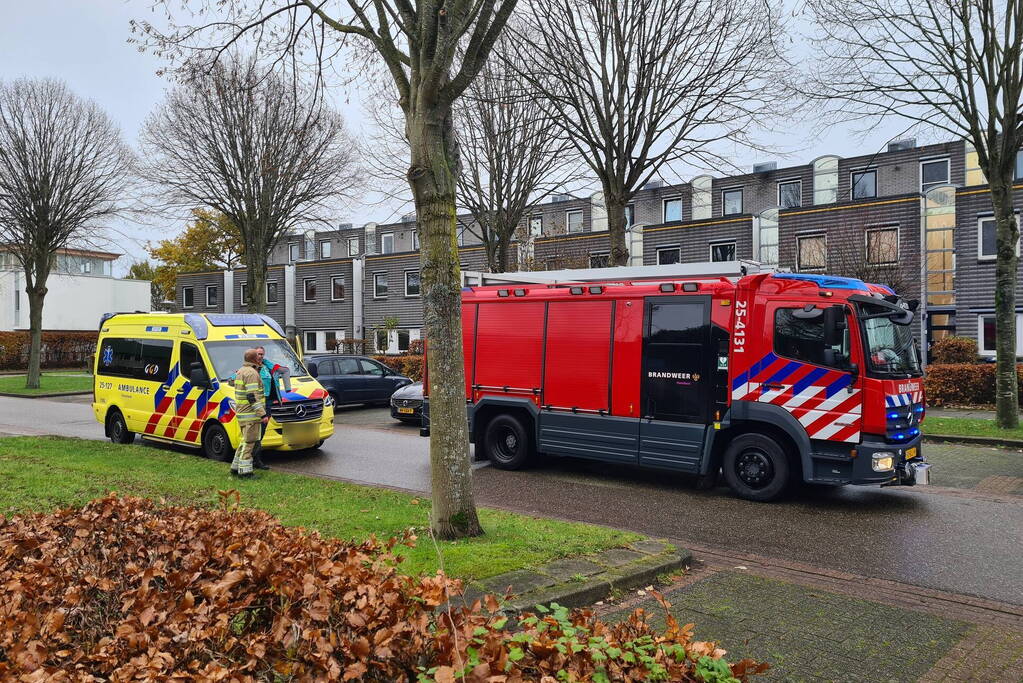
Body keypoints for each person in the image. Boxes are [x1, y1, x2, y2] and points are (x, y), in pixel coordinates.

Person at [231, 349, 268, 478]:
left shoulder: (240, 371)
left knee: (244, 441)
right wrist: (263, 414)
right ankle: (245, 472)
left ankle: (235, 467)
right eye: (258, 357)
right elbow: (252, 396)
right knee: (250, 442)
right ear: (254, 359)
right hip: (251, 414)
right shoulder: (252, 373)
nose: (260, 358)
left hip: (242, 413)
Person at [251, 345, 281, 470]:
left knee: (261, 433)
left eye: (262, 354)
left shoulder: (267, 367)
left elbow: (276, 369)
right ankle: (254, 460)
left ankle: (256, 459)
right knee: (255, 434)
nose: (260, 356)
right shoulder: (251, 368)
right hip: (257, 405)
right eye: (258, 354)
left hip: (267, 403)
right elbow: (236, 377)